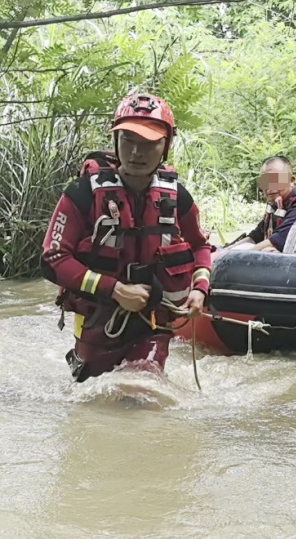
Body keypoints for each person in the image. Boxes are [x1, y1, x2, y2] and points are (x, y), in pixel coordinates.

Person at [41, 92, 211, 382]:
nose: (136, 153)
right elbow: (53, 259)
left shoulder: (177, 197)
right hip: (97, 323)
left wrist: (199, 289)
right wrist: (116, 289)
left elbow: (200, 246)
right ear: (116, 143)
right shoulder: (83, 194)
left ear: (166, 146)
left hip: (154, 323)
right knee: (94, 397)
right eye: (128, 142)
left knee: (142, 388)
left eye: (148, 144)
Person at [224, 156, 296, 253]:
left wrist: (234, 257)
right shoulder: (277, 206)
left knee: (267, 250)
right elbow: (255, 237)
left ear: (291, 181)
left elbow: (275, 242)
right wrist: (226, 251)